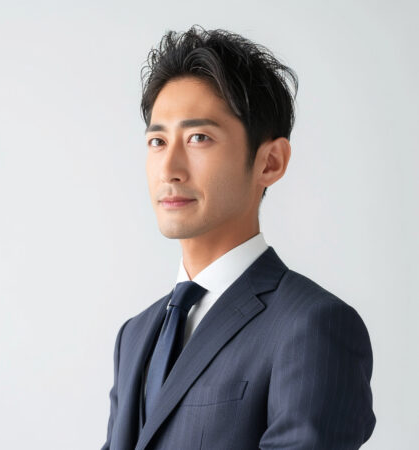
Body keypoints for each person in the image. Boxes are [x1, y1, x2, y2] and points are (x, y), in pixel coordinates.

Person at [101, 25, 376, 450]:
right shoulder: (134, 336)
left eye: (199, 138)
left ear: (270, 162)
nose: (169, 168)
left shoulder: (312, 326)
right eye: (157, 141)